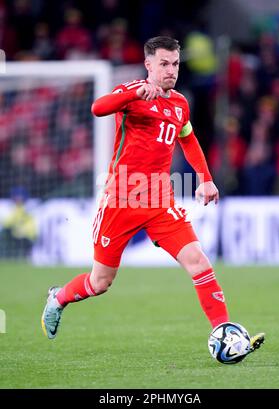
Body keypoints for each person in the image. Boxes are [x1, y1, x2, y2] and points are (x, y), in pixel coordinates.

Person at [41, 36, 264, 356]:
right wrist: (133, 92)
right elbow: (97, 107)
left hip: (161, 201)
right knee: (100, 282)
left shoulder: (180, 104)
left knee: (199, 263)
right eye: (163, 63)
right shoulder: (132, 94)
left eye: (175, 64)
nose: (171, 70)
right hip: (121, 200)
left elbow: (187, 139)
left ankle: (224, 332)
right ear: (149, 65)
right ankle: (59, 297)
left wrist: (206, 179)